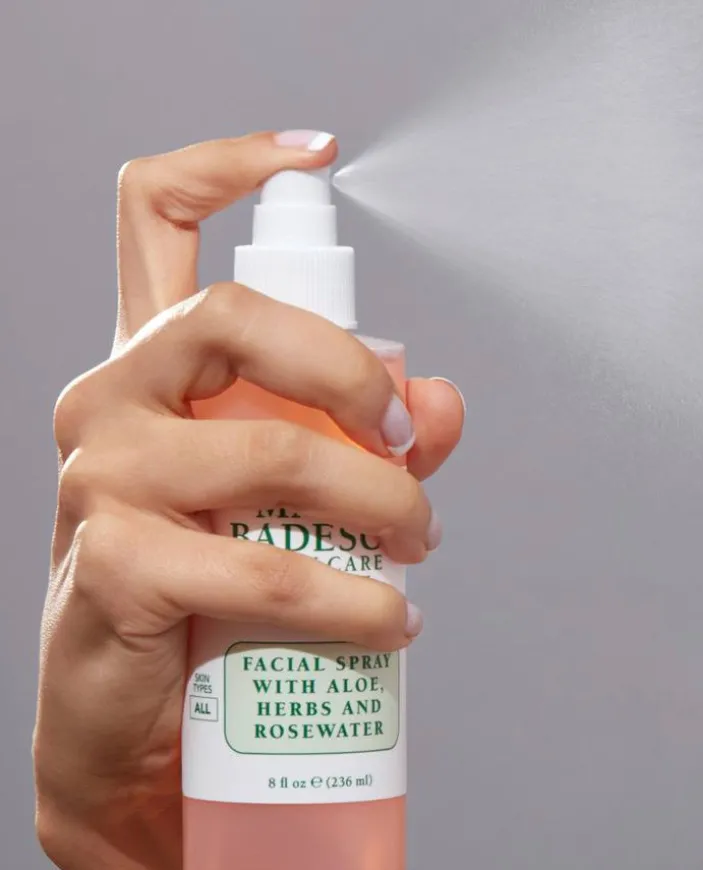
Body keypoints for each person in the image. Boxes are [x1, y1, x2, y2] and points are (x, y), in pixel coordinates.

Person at [33, 130, 465, 869]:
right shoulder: (215, 391)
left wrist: (108, 837)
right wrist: (108, 828)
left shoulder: (378, 370)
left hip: (347, 788)